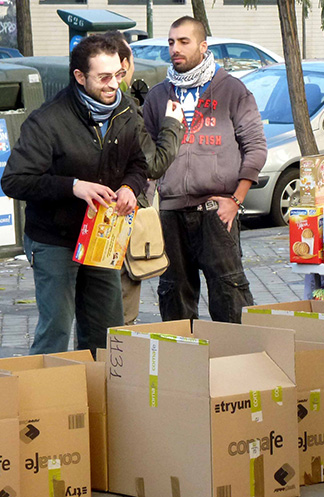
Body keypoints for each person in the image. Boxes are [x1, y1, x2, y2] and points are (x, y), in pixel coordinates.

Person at [1, 34, 148, 355]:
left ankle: (98, 396)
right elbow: (14, 181)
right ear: (80, 77)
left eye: (118, 75)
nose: (113, 85)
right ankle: (44, 399)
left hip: (102, 237)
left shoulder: (125, 112)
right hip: (54, 239)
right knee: (56, 328)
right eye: (104, 78)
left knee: (107, 330)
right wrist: (73, 186)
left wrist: (130, 187)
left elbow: (138, 164)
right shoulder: (48, 121)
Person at [142, 16, 266, 323]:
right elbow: (143, 157)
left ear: (202, 45)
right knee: (174, 298)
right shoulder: (158, 95)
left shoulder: (232, 90)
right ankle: (183, 366)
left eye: (184, 42)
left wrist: (235, 200)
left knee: (229, 296)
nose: (175, 49)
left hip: (215, 211)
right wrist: (146, 207)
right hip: (170, 213)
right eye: (171, 42)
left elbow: (256, 148)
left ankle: (238, 363)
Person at [103, 30, 185, 325]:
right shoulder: (124, 108)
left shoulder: (95, 104)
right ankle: (117, 364)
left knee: (97, 308)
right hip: (120, 214)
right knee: (122, 310)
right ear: (122, 64)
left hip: (93, 218)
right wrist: (172, 124)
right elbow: (154, 164)